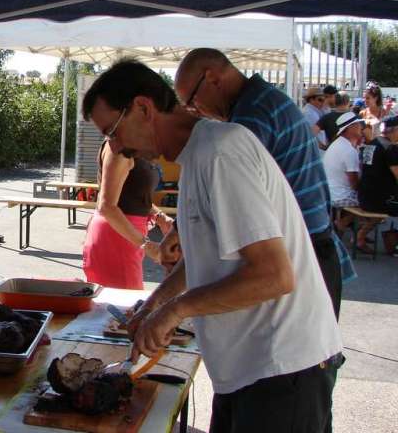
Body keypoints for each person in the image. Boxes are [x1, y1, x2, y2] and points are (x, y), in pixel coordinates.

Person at [84, 60, 342, 433]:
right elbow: (207, 256)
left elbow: (274, 275)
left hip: (283, 371)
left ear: (143, 107)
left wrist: (174, 311)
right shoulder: (196, 156)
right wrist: (155, 304)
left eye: (113, 131)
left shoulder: (220, 152)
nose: (117, 147)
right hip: (247, 371)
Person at [172, 49, 345, 318]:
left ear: (212, 78)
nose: (196, 112)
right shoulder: (261, 100)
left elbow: (232, 189)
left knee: (307, 355)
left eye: (192, 102)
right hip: (312, 245)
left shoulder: (249, 117)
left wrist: (181, 231)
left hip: (303, 255)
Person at [83, 141, 172, 289]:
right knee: (124, 304)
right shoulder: (119, 147)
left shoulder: (136, 143)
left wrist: (160, 217)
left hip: (128, 233)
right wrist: (148, 246)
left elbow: (133, 194)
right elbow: (107, 206)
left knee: (126, 304)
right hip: (115, 233)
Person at [322, 113, 373, 253]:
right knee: (376, 204)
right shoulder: (348, 150)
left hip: (331, 192)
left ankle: (349, 226)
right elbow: (354, 184)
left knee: (369, 199)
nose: (361, 128)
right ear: (350, 128)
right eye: (358, 125)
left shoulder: (338, 145)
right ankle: (357, 235)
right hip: (340, 195)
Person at [359, 115, 398, 255]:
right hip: (380, 200)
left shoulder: (373, 143)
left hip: (365, 196)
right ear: (394, 131)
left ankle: (360, 237)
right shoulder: (390, 149)